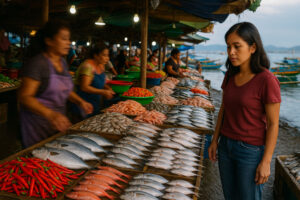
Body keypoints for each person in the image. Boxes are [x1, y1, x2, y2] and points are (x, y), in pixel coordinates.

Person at [208, 22, 281, 200]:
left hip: (250, 151)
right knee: (230, 196)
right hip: (225, 147)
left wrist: (266, 161)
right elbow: (223, 109)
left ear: (253, 47)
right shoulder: (230, 75)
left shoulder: (267, 80)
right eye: (228, 47)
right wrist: (214, 140)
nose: (231, 52)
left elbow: (273, 124)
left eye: (237, 46)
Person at [18, 20, 93, 148]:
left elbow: (64, 89)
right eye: (64, 38)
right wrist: (51, 114)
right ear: (49, 41)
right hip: (37, 126)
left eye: (69, 39)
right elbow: (25, 97)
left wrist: (80, 101)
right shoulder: (38, 64)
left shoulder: (62, 63)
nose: (68, 42)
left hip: (56, 125)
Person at [74, 42, 115, 118]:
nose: (107, 58)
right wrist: (103, 92)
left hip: (95, 104)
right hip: (83, 105)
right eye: (104, 55)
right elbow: (84, 87)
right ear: (96, 55)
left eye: (108, 55)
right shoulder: (87, 66)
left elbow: (100, 82)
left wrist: (107, 88)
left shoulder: (101, 65)